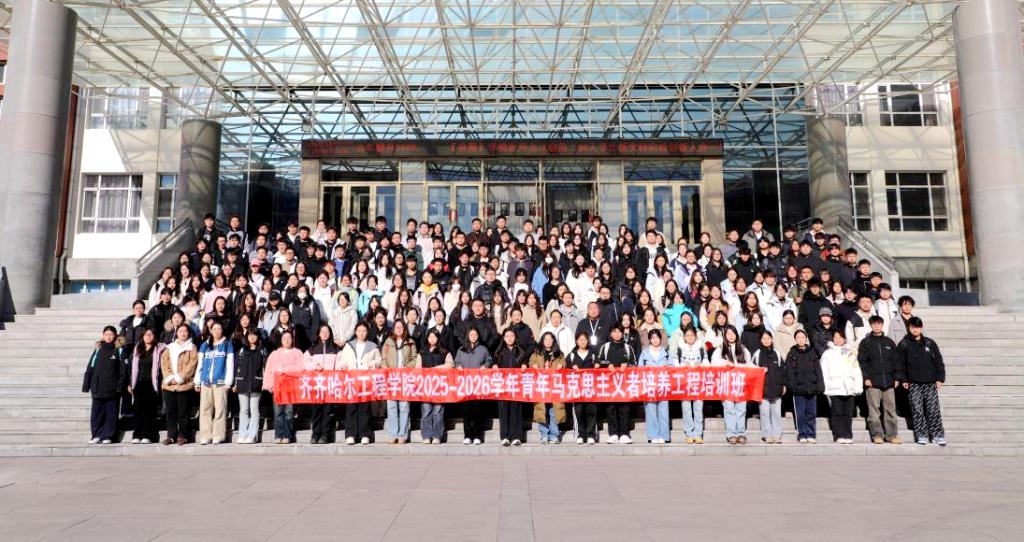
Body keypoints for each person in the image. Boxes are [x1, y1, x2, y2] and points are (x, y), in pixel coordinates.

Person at [899, 317, 946, 446]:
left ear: (921, 328)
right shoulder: (904, 344)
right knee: (917, 409)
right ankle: (922, 435)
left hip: (930, 382)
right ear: (909, 328)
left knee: (933, 409)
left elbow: (938, 361)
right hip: (913, 382)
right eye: (913, 327)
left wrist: (940, 378)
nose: (915, 329)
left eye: (918, 327)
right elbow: (900, 364)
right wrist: (903, 379)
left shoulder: (929, 343)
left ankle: (937, 435)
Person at [857, 315, 903, 445]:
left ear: (882, 325)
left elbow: (896, 361)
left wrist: (897, 377)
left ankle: (891, 435)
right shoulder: (866, 342)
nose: (877, 326)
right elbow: (862, 362)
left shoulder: (889, 342)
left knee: (890, 410)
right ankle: (877, 434)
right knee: (874, 411)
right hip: (873, 382)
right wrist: (866, 377)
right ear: (871, 325)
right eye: (874, 324)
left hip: (889, 381)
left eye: (879, 324)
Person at [339, 322, 382, 445]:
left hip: (365, 381)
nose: (362, 333)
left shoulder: (373, 346)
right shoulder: (349, 346)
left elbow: (379, 360)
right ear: (355, 332)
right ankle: (350, 434)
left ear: (367, 332)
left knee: (364, 408)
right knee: (351, 408)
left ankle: (365, 434)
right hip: (352, 381)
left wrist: (374, 364)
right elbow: (343, 360)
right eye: (359, 331)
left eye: (364, 331)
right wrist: (343, 366)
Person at [83, 326, 127, 444]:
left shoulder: (119, 350)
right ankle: (96, 434)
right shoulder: (98, 349)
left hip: (112, 388)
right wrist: (86, 384)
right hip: (97, 387)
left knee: (111, 413)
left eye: (111, 334)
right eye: (106, 334)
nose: (108, 337)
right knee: (96, 413)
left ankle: (108, 436)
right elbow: (90, 367)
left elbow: (123, 370)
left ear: (115, 335)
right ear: (103, 335)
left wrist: (119, 386)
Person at [820, 329, 863, 444]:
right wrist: (826, 387)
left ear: (844, 339)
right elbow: (824, 372)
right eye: (836, 337)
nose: (838, 339)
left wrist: (858, 386)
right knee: (837, 412)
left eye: (840, 337)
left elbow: (856, 370)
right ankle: (839, 435)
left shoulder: (850, 353)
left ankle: (848, 435)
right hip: (835, 387)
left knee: (848, 413)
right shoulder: (827, 354)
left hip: (849, 387)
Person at [596, 324, 637, 444]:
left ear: (622, 333)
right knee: (611, 408)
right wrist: (607, 364)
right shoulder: (605, 347)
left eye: (619, 331)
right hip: (609, 384)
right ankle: (613, 433)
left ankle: (624, 434)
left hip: (624, 384)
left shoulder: (628, 347)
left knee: (624, 409)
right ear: (610, 333)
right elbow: (599, 361)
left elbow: (634, 363)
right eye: (614, 331)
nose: (617, 334)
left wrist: (627, 364)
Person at [195, 321, 234, 445]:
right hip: (205, 382)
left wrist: (228, 382)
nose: (217, 331)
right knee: (205, 409)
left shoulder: (227, 344)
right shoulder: (205, 345)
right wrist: (197, 381)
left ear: (222, 330)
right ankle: (205, 435)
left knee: (220, 409)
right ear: (210, 331)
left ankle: (218, 435)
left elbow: (230, 364)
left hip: (220, 382)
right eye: (214, 329)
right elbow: (200, 364)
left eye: (219, 329)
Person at [263, 330, 305, 444]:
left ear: (292, 340)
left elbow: (301, 368)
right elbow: (268, 370)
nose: (287, 340)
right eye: (284, 338)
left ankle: (288, 435)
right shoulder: (275, 354)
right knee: (278, 412)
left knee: (289, 412)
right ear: (281, 340)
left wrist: (286, 369)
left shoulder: (297, 353)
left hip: (291, 388)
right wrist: (269, 385)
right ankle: (278, 435)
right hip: (277, 388)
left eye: (289, 338)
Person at [380, 319, 418, 444]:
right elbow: (383, 358)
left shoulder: (410, 342)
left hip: (405, 378)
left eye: (401, 327)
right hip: (391, 378)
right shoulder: (388, 342)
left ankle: (403, 434)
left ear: (404, 328)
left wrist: (407, 367)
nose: (399, 329)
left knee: (404, 406)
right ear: (393, 329)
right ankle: (393, 434)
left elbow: (415, 358)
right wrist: (385, 368)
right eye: (396, 327)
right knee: (391, 406)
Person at [160, 324, 198, 445]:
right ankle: (171, 436)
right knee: (170, 412)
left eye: (185, 331)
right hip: (169, 385)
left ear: (188, 333)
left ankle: (183, 435)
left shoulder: (192, 348)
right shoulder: (170, 347)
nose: (183, 333)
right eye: (180, 331)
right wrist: (169, 378)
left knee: (183, 412)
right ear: (177, 333)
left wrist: (179, 378)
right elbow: (164, 363)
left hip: (184, 385)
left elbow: (192, 365)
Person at [711, 325, 750, 444]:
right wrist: (725, 363)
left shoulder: (743, 349)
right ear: (725, 336)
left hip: (740, 384)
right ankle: (731, 433)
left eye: (733, 333)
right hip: (726, 384)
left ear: (736, 335)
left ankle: (741, 433)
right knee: (729, 409)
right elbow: (713, 363)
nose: (731, 336)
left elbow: (749, 365)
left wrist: (760, 369)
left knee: (741, 409)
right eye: (728, 333)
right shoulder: (720, 349)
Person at [304, 324, 342, 444]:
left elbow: (341, 361)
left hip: (330, 384)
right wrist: (315, 366)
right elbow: (305, 362)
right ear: (319, 334)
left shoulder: (336, 348)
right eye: (322, 332)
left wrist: (337, 368)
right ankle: (315, 434)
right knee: (316, 411)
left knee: (328, 411)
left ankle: (325, 435)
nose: (325, 334)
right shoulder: (313, 348)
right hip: (317, 385)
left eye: (327, 332)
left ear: (330, 334)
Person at [454, 326, 491, 445]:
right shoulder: (461, 349)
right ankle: (467, 435)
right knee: (466, 412)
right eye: (471, 335)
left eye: (475, 335)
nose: (473, 337)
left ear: (478, 336)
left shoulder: (483, 349)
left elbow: (489, 360)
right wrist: (458, 367)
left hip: (478, 385)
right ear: (468, 336)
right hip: (465, 385)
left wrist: (485, 366)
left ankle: (477, 435)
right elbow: (456, 362)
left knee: (477, 411)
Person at [785, 330, 823, 444]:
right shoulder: (792, 353)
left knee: (811, 413)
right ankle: (802, 434)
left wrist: (820, 385)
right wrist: (792, 386)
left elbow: (818, 370)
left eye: (802, 337)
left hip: (812, 387)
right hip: (798, 388)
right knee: (800, 413)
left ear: (806, 339)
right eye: (798, 337)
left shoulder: (813, 352)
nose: (800, 339)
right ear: (795, 339)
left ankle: (811, 434)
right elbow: (789, 372)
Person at [416, 329, 454, 444]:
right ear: (427, 338)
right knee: (426, 410)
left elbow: (450, 365)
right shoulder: (422, 352)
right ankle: (426, 436)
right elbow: (417, 368)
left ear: (438, 338)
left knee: (438, 411)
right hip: (425, 386)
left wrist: (436, 368)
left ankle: (437, 435)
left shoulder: (445, 351)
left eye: (434, 337)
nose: (432, 339)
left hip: (439, 386)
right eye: (430, 337)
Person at [528, 332, 566, 444]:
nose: (548, 341)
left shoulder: (558, 354)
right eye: (546, 339)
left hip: (554, 387)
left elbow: (564, 362)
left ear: (553, 341)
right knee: (541, 410)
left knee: (553, 411)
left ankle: (554, 435)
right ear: (542, 341)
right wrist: (533, 365)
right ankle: (544, 435)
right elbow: (531, 362)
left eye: (550, 339)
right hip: (541, 387)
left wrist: (562, 365)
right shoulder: (536, 353)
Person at [128, 328, 164, 444]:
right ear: (142, 336)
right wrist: (130, 383)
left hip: (152, 383)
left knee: (150, 410)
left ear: (154, 336)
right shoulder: (137, 348)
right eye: (146, 334)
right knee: (138, 410)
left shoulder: (159, 349)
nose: (148, 336)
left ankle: (148, 435)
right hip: (138, 383)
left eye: (151, 334)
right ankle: (137, 434)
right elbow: (132, 368)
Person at [673, 326, 708, 443]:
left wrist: (701, 365)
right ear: (684, 337)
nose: (690, 337)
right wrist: (682, 367)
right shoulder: (679, 348)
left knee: (698, 408)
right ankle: (689, 433)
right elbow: (674, 363)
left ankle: (698, 434)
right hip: (684, 382)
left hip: (698, 382)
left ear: (696, 336)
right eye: (687, 335)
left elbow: (706, 362)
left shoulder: (701, 347)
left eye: (692, 335)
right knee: (686, 409)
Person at [493, 328, 528, 446]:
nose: (509, 338)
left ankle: (516, 436)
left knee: (516, 411)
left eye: (512, 336)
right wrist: (494, 365)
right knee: (504, 411)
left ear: (515, 337)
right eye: (507, 336)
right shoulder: (499, 352)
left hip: (516, 386)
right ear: (503, 338)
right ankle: (505, 436)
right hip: (503, 386)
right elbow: (494, 362)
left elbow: (526, 362)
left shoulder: (521, 352)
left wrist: (525, 365)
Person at [638, 329, 672, 444]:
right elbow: (640, 369)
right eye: (652, 338)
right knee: (650, 411)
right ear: (649, 340)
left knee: (663, 411)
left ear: (660, 339)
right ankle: (653, 435)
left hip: (663, 385)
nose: (655, 340)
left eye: (657, 337)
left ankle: (664, 435)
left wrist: (668, 367)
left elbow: (672, 368)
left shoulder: (666, 352)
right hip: (649, 386)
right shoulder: (644, 353)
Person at [233, 329, 267, 444]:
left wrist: (264, 382)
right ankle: (242, 434)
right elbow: (236, 367)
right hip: (242, 383)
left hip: (256, 383)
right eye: (250, 335)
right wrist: (235, 383)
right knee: (243, 410)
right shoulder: (241, 350)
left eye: (255, 335)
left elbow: (264, 368)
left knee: (254, 409)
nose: (252, 337)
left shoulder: (262, 350)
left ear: (258, 337)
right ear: (247, 336)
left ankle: (252, 435)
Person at [752, 331, 785, 444]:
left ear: (772, 339)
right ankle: (767, 435)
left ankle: (777, 435)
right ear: (760, 340)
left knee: (776, 414)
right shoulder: (757, 354)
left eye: (768, 338)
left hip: (776, 389)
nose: (766, 341)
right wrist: (760, 370)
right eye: (764, 338)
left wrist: (783, 385)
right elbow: (752, 370)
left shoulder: (777, 353)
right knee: (764, 414)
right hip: (762, 390)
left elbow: (783, 371)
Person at [566, 331, 599, 444]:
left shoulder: (593, 353)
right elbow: (566, 365)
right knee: (579, 411)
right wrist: (571, 366)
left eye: (585, 339)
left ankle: (590, 434)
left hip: (591, 388)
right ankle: (581, 434)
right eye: (580, 340)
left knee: (591, 410)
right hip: (577, 388)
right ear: (576, 341)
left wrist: (597, 365)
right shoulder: (572, 354)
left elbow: (599, 362)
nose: (583, 342)